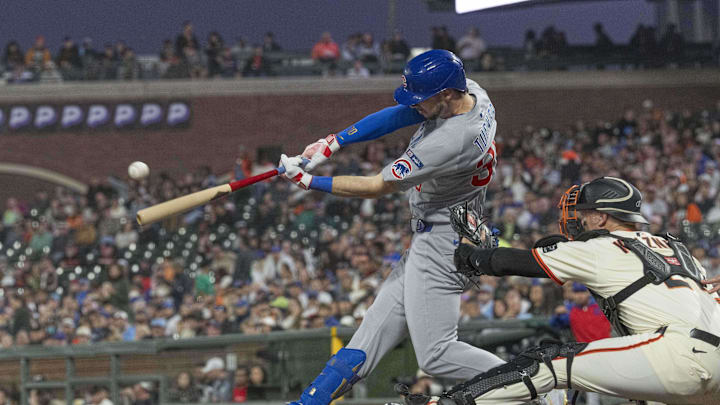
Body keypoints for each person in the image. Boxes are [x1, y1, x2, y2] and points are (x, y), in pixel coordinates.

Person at [281, 49, 504, 405]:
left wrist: (309, 182)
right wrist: (334, 141)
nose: (415, 105)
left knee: (436, 354)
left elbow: (375, 186)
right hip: (446, 227)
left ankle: (539, 387)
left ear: (446, 94)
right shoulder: (470, 91)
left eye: (422, 98)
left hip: (445, 238)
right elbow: (401, 113)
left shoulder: (452, 140)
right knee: (366, 340)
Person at [418, 177, 720, 404]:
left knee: (548, 360)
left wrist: (470, 255)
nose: (579, 219)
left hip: (678, 356)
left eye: (585, 212)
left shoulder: (604, 246)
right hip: (710, 364)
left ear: (602, 217)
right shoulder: (680, 251)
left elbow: (521, 263)